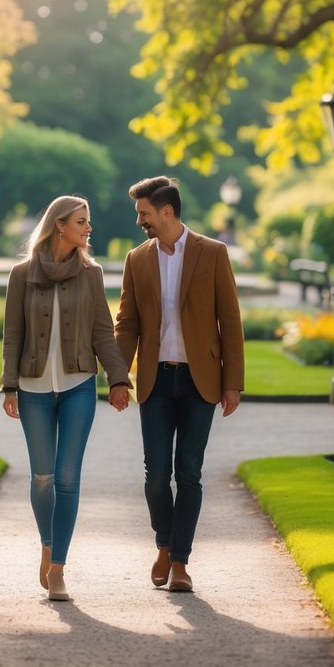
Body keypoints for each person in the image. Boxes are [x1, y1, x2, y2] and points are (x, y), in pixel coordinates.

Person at [111, 175, 244, 593]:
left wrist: (233, 382)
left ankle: (181, 562)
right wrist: (118, 376)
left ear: (166, 212)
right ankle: (164, 546)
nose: (140, 221)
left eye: (144, 214)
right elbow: (126, 322)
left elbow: (231, 321)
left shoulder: (213, 253)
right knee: (155, 475)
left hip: (200, 381)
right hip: (155, 379)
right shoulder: (137, 259)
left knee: (189, 473)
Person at [0, 195, 132, 602]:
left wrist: (118, 379)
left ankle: (58, 567)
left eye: (87, 221)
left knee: (67, 478)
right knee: (42, 478)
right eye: (81, 221)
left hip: (77, 386)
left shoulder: (91, 275)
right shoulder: (22, 274)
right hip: (33, 387)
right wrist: (9, 385)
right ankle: (47, 543)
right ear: (59, 224)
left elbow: (102, 333)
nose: (88, 228)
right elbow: (13, 334)